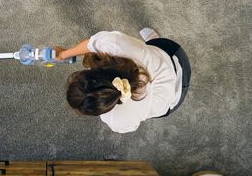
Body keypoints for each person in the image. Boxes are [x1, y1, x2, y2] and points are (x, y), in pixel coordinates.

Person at [56, 29, 191, 133]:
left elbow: (132, 125)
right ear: (92, 72)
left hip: (173, 101)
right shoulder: (114, 45)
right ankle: (153, 42)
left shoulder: (116, 121)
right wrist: (63, 54)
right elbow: (92, 44)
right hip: (175, 57)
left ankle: (150, 49)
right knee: (147, 49)